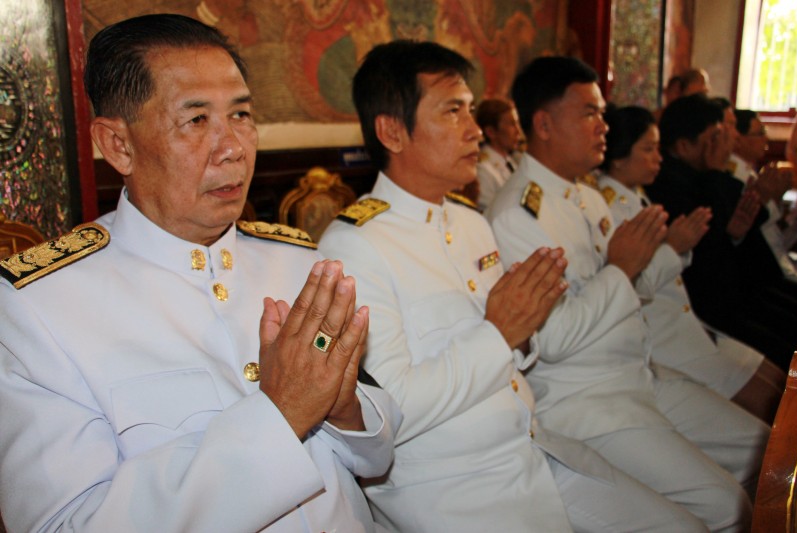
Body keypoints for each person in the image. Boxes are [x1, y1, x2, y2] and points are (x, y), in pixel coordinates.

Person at [0, 14, 400, 532]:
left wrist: (344, 408)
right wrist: (282, 412)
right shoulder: (41, 309)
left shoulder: (296, 261)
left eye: (241, 115)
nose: (233, 147)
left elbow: (377, 457)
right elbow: (70, 523)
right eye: (196, 120)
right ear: (119, 145)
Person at [320, 40, 708, 533]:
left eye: (471, 110)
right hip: (455, 486)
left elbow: (520, 352)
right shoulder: (355, 246)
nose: (475, 129)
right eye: (453, 111)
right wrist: (500, 332)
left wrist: (522, 330)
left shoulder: (469, 223)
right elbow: (393, 411)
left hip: (530, 445)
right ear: (392, 131)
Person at [486, 56, 770, 531]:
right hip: (588, 401)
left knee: (772, 451)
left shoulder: (586, 196)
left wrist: (659, 255)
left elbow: (626, 293)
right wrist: (622, 267)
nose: (603, 125)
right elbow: (553, 338)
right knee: (728, 506)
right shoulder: (518, 214)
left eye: (601, 113)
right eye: (589, 114)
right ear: (544, 124)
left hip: (639, 377)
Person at [597, 104, 784, 422]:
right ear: (618, 157)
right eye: (648, 149)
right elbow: (628, 283)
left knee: (782, 386)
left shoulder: (638, 196)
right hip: (664, 341)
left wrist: (721, 236)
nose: (658, 158)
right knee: (771, 416)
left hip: (691, 326)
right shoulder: (609, 206)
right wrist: (672, 247)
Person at [646, 93, 797, 370]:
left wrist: (735, 235)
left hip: (740, 290)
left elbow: (734, 244)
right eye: (715, 137)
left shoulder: (703, 176)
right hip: (708, 308)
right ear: (684, 146)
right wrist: (716, 172)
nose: (728, 142)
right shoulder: (670, 185)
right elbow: (705, 263)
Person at [732, 108, 797, 284]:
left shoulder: (751, 174)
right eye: (760, 133)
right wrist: (773, 200)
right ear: (738, 140)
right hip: (770, 273)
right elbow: (759, 236)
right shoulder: (738, 180)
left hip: (781, 261)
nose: (766, 138)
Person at [474, 98, 526, 210]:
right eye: (512, 124)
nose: (518, 131)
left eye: (517, 123)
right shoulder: (483, 170)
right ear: (491, 132)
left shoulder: (511, 161)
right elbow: (488, 212)